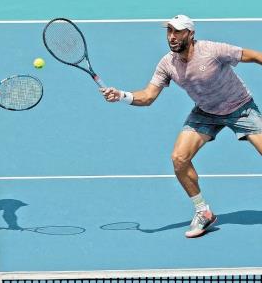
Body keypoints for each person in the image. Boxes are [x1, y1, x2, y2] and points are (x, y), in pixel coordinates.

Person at [101, 15, 262, 238]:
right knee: (179, 159)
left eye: (177, 32)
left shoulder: (213, 50)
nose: (172, 36)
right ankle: (203, 212)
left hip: (240, 107)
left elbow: (253, 56)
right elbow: (148, 97)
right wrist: (121, 96)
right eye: (169, 32)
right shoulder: (167, 63)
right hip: (206, 112)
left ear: (190, 34)